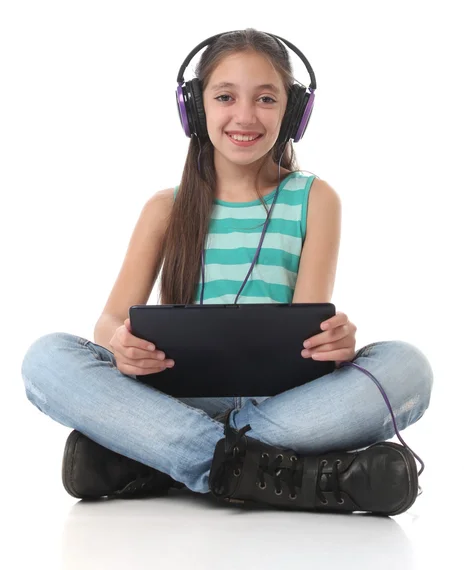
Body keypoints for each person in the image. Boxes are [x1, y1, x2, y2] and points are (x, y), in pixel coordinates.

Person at [21, 28, 433, 516]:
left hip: (281, 406)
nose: (244, 116)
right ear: (195, 110)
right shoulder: (165, 208)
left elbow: (304, 333)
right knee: (46, 359)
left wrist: (333, 345)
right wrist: (120, 345)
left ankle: (160, 460)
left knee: (408, 369)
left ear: (293, 113)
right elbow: (108, 322)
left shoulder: (314, 199)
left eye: (265, 98)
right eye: (224, 97)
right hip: (178, 402)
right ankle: (269, 470)